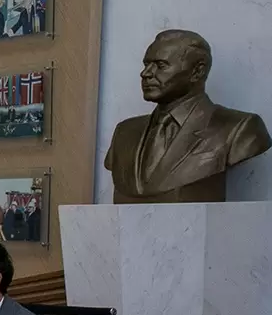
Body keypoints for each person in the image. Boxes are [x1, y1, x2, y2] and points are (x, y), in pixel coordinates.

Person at [104, 29, 272, 202]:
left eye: (161, 65)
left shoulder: (239, 128)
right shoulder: (125, 132)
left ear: (197, 71)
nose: (145, 73)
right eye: (146, 64)